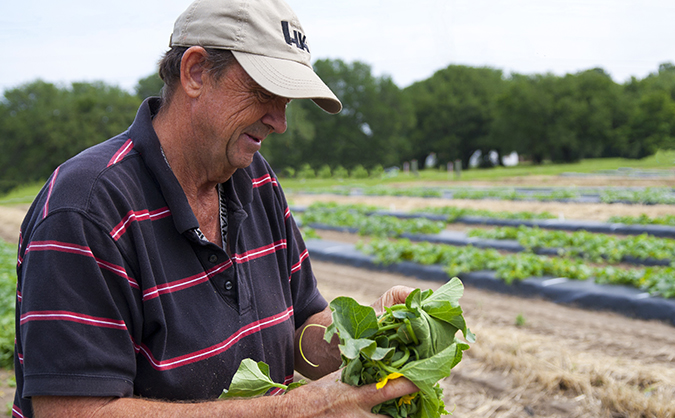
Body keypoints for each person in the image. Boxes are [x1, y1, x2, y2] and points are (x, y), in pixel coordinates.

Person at [12, 0, 418, 416]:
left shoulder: (255, 180)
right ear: (196, 72)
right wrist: (298, 408)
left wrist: (373, 333)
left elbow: (301, 325)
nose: (279, 121)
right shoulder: (86, 209)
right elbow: (74, 411)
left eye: (287, 100)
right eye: (264, 92)